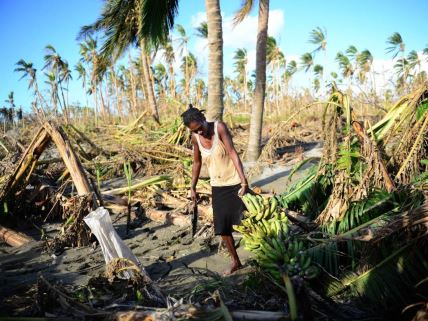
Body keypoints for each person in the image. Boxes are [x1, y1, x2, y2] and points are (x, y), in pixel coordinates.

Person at [181, 105, 248, 275]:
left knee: (248, 220)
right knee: (223, 227)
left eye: (200, 128)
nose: (200, 133)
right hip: (218, 186)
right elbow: (197, 163)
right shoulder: (195, 138)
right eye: (195, 131)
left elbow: (233, 153)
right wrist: (192, 187)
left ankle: (265, 249)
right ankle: (236, 261)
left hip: (234, 182)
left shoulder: (219, 128)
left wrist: (243, 181)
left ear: (204, 120)